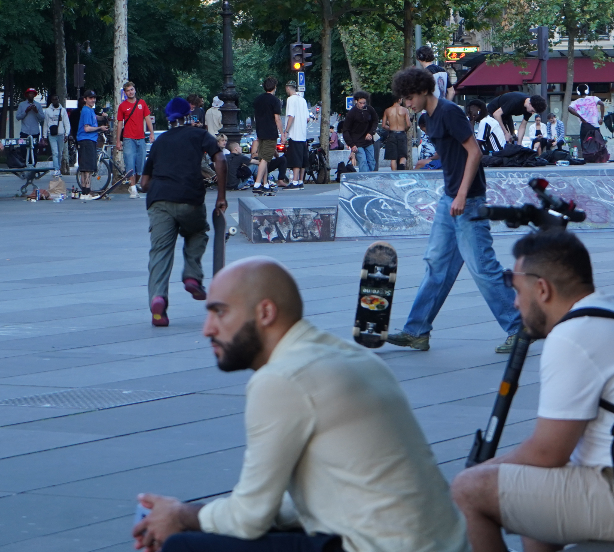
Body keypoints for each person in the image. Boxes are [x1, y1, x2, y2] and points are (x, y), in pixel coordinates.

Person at [133, 258, 470, 552]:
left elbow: (248, 518)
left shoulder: (282, 378)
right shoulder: (350, 356)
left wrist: (179, 515)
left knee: (184, 547)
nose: (208, 329)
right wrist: (199, 517)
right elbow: (295, 505)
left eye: (220, 312)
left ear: (265, 312)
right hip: (441, 544)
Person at [451, 230, 614, 552]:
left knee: (469, 488)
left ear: (542, 289)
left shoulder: (572, 335)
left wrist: (483, 470)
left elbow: (547, 452)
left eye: (518, 292)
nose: (515, 303)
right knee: (531, 495)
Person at [386, 68, 522, 354]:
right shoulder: (430, 118)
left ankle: (519, 328)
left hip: (468, 201)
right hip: (449, 200)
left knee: (483, 268)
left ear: (423, 91)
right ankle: (417, 331)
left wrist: (461, 194)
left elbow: (474, 152)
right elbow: (449, 152)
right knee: (436, 265)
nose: (407, 104)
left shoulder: (449, 112)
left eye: (409, 98)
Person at [140, 97, 226, 327]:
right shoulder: (199, 135)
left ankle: (158, 299)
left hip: (159, 200)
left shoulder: (160, 141)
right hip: (190, 198)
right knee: (197, 232)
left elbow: (144, 183)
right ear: (189, 114)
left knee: (159, 252)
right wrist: (221, 195)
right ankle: (192, 275)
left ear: (168, 118)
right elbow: (219, 158)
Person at [116, 81, 155, 198]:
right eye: (128, 90)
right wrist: (118, 140)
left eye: (132, 89)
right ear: (125, 93)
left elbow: (147, 118)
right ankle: (133, 188)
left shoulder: (141, 103)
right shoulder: (122, 106)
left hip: (141, 138)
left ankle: (133, 184)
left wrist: (151, 133)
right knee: (130, 163)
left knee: (141, 165)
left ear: (135, 90)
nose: (130, 92)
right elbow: (119, 124)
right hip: (128, 138)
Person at [251, 77, 285, 192]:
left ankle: (265, 183)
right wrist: (282, 133)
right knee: (265, 159)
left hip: (260, 132)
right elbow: (277, 119)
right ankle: (257, 184)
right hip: (270, 132)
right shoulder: (275, 100)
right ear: (274, 87)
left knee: (263, 158)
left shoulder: (257, 99)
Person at [75, 90, 107, 195]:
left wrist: (102, 117)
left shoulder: (89, 110)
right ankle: (87, 192)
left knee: (84, 168)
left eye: (94, 98)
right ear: (85, 99)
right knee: (88, 168)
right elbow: (87, 128)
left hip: (85, 140)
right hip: (87, 140)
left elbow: (94, 118)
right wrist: (100, 128)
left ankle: (85, 191)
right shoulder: (87, 110)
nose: (93, 100)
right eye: (90, 98)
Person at [341, 91, 378, 172]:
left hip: (368, 141)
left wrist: (371, 132)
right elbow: (346, 130)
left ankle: (369, 176)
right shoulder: (352, 113)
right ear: (356, 101)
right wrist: (351, 144)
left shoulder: (369, 110)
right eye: (360, 103)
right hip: (357, 143)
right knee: (363, 161)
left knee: (371, 161)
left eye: (364, 103)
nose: (362, 105)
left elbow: (375, 121)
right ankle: (365, 178)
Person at [283, 82, 309, 188]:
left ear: (288, 88)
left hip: (295, 134)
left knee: (295, 159)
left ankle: (294, 182)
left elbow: (291, 116)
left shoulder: (290, 99)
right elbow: (307, 118)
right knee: (303, 159)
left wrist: (286, 131)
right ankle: (300, 181)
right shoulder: (303, 100)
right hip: (303, 134)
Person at [382, 96, 411, 170]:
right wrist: (404, 129)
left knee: (393, 158)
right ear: (399, 100)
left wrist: (390, 128)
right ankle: (401, 171)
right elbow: (408, 124)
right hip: (401, 133)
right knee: (403, 156)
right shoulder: (405, 110)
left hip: (392, 134)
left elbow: (383, 125)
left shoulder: (387, 110)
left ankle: (394, 175)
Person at [44, 94, 71, 174]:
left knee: (60, 152)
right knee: (55, 152)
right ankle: (56, 169)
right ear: (51, 101)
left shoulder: (63, 110)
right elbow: (45, 123)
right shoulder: (48, 111)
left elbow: (66, 123)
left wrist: (66, 134)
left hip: (61, 134)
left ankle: (58, 167)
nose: (55, 101)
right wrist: (44, 136)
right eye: (53, 99)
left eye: (56, 99)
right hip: (51, 134)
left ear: (59, 100)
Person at [15, 87, 45, 155]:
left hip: (35, 132)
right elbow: (18, 117)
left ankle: (33, 164)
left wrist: (36, 112)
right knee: (23, 149)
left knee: (34, 151)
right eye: (29, 93)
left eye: (32, 94)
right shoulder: (22, 105)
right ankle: (24, 164)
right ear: (27, 95)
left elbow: (42, 118)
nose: (31, 95)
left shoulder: (38, 105)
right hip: (24, 131)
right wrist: (26, 111)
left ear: (34, 95)